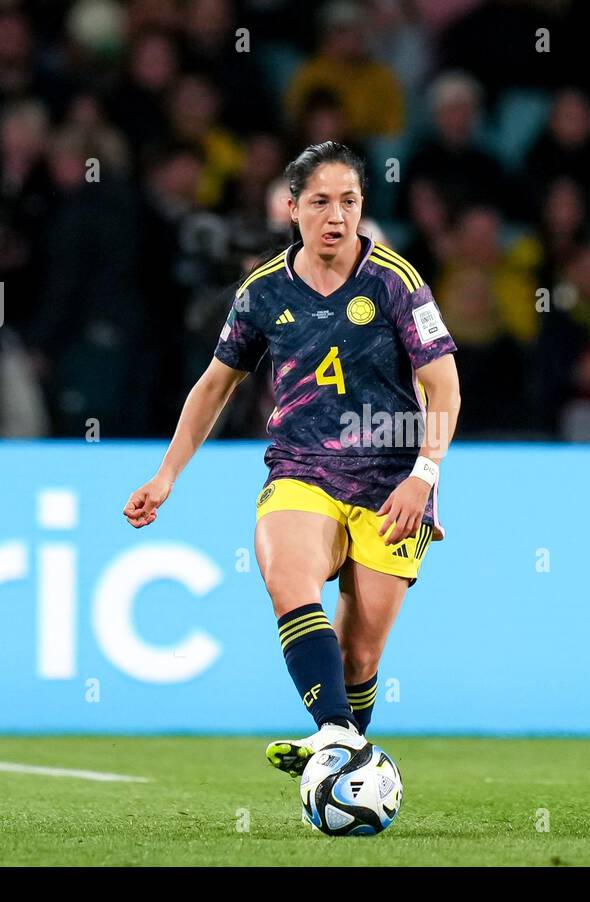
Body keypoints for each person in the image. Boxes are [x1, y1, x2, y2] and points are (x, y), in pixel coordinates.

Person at [123, 142, 461, 772]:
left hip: (392, 484)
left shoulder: (395, 282)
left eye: (350, 202)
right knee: (288, 578)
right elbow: (215, 385)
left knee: (359, 657)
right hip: (303, 469)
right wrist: (167, 475)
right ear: (292, 208)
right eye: (322, 202)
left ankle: (340, 757)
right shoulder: (262, 292)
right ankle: (333, 731)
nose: (337, 216)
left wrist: (424, 475)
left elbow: (443, 385)